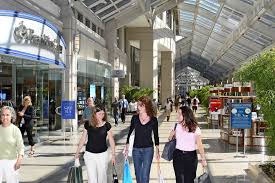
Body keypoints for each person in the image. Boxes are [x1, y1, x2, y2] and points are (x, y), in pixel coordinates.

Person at [75, 105, 116, 183]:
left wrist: (113, 155)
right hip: (89, 155)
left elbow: (111, 140)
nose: (101, 116)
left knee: (102, 177)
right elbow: (83, 139)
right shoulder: (88, 124)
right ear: (94, 114)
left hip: (102, 155)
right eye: (99, 114)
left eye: (103, 114)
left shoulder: (107, 125)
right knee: (91, 178)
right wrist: (77, 152)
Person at [124, 96, 160, 183]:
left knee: (145, 175)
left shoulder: (154, 120)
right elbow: (130, 133)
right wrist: (127, 147)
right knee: (138, 174)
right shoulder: (135, 118)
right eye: (138, 104)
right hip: (136, 149)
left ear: (146, 106)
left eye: (140, 105)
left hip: (148, 150)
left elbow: (156, 136)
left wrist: (157, 150)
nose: (138, 107)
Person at [168, 106, 207, 183]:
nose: (177, 116)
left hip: (191, 157)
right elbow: (170, 140)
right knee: (179, 180)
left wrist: (203, 159)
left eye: (179, 114)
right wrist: (171, 135)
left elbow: (199, 144)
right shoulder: (176, 126)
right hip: (178, 155)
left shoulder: (195, 128)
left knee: (189, 180)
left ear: (185, 115)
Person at [0, 106, 24, 183]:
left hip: (11, 162)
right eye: (3, 115)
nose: (5, 117)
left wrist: (19, 161)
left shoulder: (15, 130)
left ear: (12, 117)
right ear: (0, 117)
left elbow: (21, 147)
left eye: (7, 115)